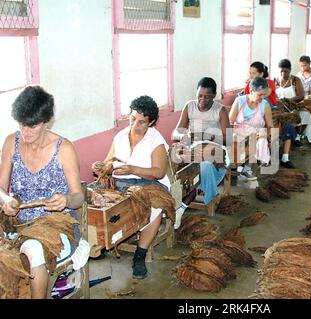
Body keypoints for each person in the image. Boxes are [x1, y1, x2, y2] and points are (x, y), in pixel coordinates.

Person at [0, 86, 85, 299]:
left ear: (46, 121)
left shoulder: (64, 149)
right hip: (19, 222)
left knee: (33, 249)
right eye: (22, 125)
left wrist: (65, 200)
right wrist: (6, 199)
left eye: (33, 126)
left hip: (57, 224)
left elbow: (78, 198)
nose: (25, 132)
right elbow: (1, 188)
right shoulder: (12, 142)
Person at [92, 95, 170, 280]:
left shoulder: (155, 140)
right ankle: (102, 242)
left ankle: (140, 255)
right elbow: (109, 162)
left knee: (155, 207)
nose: (135, 125)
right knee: (92, 195)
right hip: (121, 183)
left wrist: (133, 169)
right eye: (133, 119)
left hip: (149, 183)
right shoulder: (120, 136)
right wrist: (101, 167)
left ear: (151, 123)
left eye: (142, 122)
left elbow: (158, 172)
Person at [171, 77, 230, 229]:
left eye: (207, 97)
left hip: (214, 149)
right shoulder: (189, 106)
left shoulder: (220, 110)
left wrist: (205, 136)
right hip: (193, 148)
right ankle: (176, 201)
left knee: (204, 166)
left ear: (214, 95)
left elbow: (228, 139)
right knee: (173, 163)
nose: (202, 100)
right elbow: (175, 133)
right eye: (200, 96)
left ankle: (183, 206)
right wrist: (184, 136)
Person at [229, 77, 273, 178]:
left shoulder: (265, 105)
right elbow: (230, 122)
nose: (262, 98)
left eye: (264, 95)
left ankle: (247, 168)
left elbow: (270, 126)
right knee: (233, 140)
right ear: (251, 91)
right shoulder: (239, 101)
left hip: (256, 133)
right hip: (239, 132)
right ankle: (234, 164)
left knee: (260, 140)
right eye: (260, 95)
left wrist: (267, 134)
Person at [275, 59, 311, 167]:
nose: (283, 74)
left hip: (292, 108)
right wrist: (279, 102)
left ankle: (296, 137)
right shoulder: (275, 80)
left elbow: (301, 95)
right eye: (281, 71)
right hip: (279, 109)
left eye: (286, 71)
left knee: (304, 116)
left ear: (290, 70)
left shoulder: (295, 80)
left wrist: (288, 101)